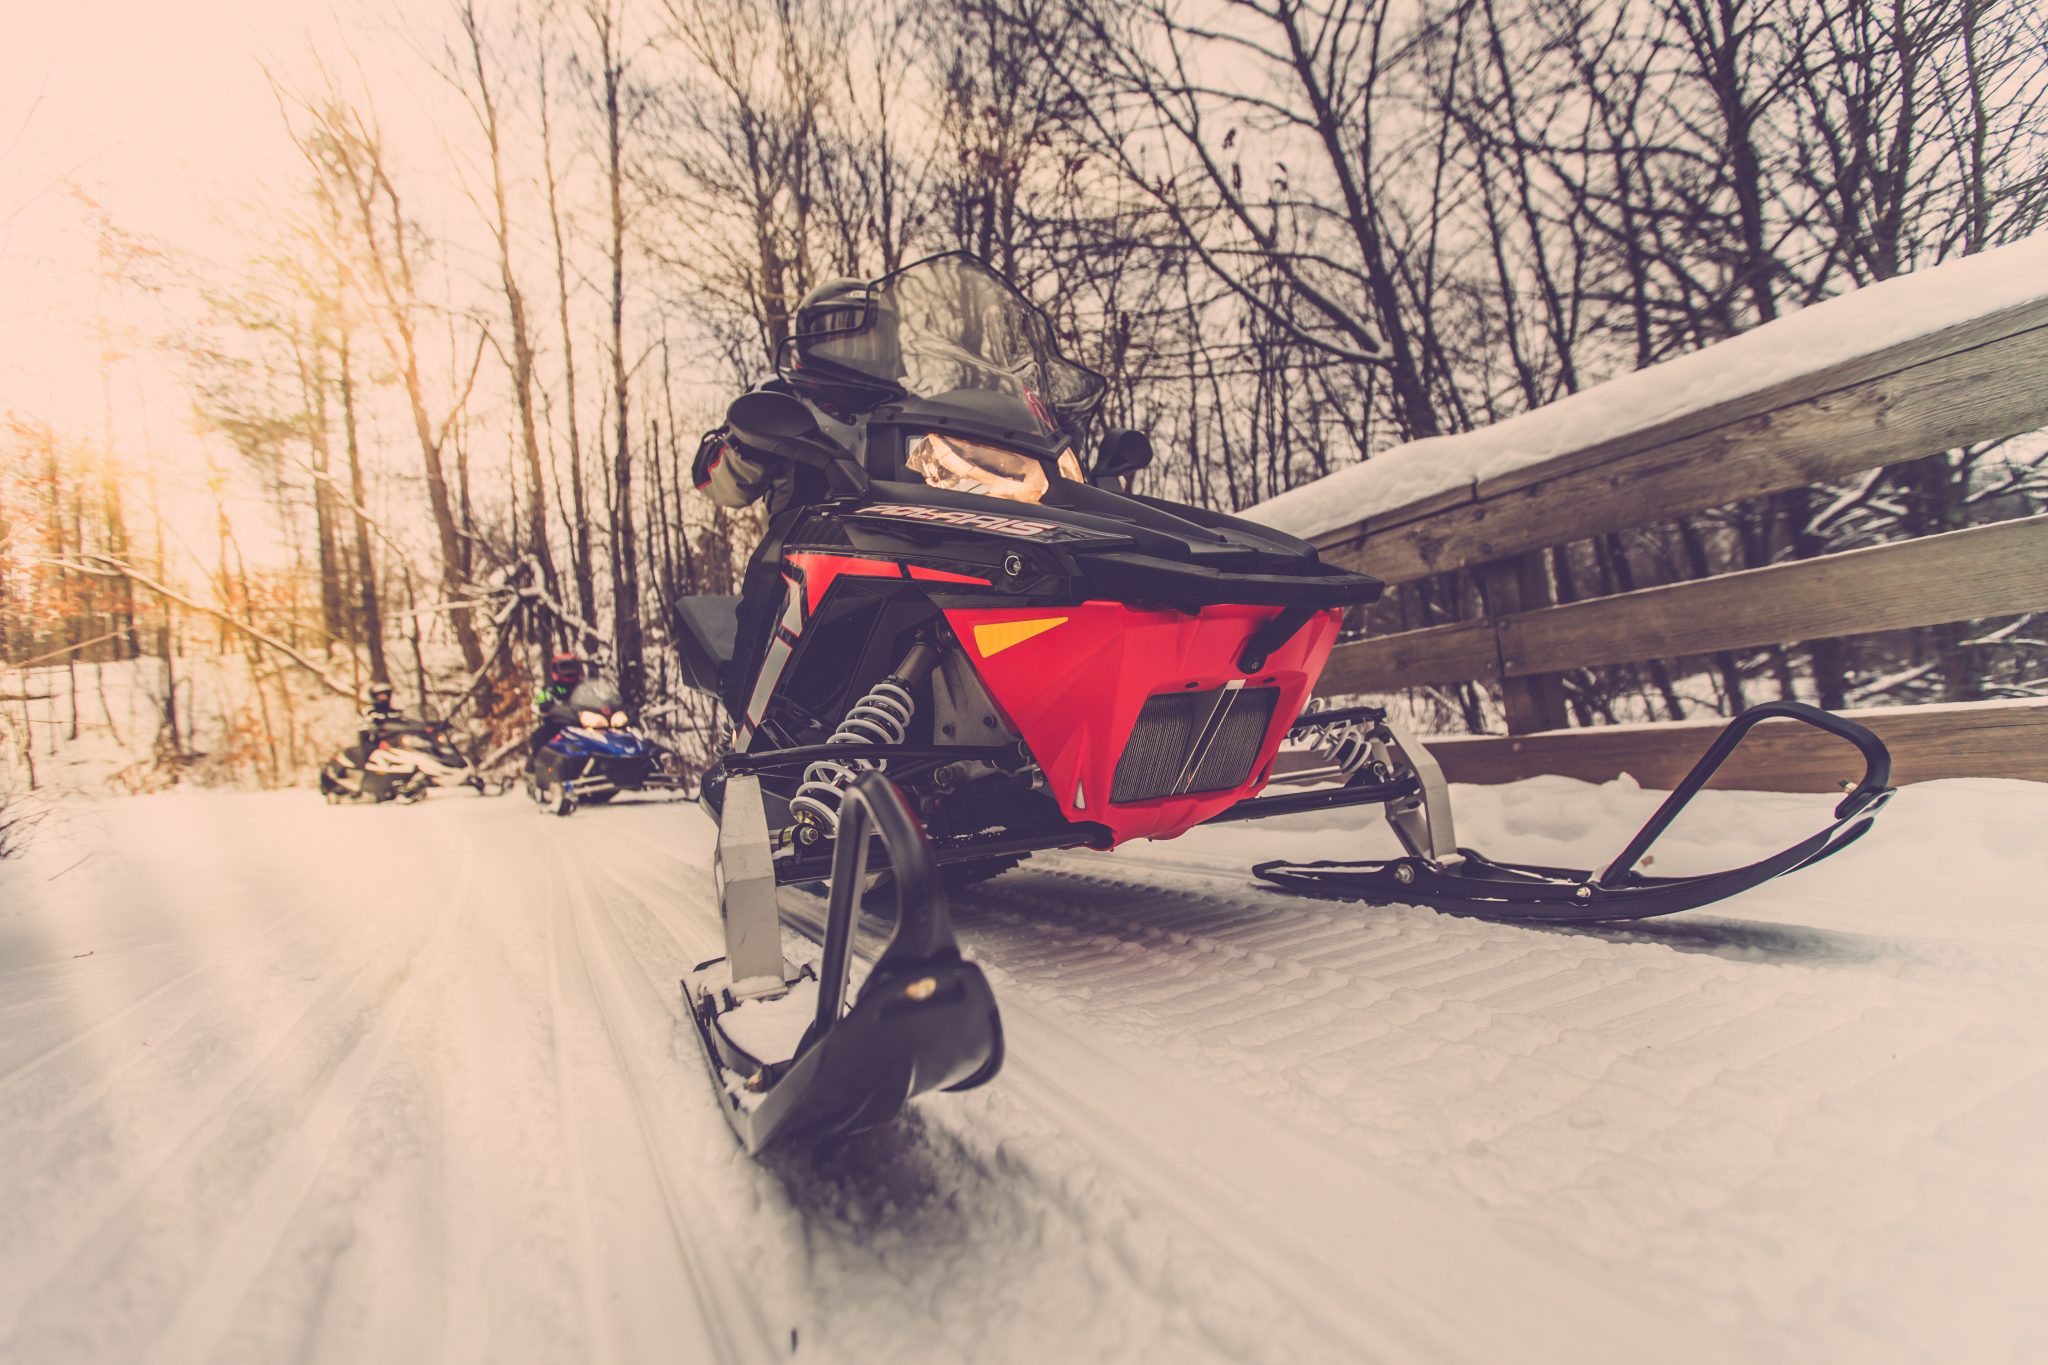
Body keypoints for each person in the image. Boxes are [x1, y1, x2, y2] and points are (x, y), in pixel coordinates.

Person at [529, 653, 586, 767]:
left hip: (583, 725)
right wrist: (544, 705)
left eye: (571, 667)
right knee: (539, 736)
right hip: (558, 726)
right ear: (556, 670)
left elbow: (598, 698)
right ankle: (539, 768)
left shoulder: (584, 688)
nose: (569, 671)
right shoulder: (551, 689)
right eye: (564, 668)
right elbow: (536, 702)